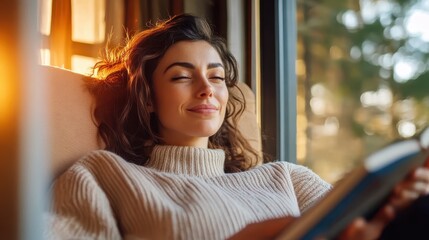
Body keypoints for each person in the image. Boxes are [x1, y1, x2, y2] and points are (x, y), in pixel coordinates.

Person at [46, 14, 429, 240]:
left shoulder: (284, 177)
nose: (206, 90)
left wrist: (396, 199)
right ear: (147, 98)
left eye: (216, 77)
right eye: (182, 77)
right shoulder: (102, 174)